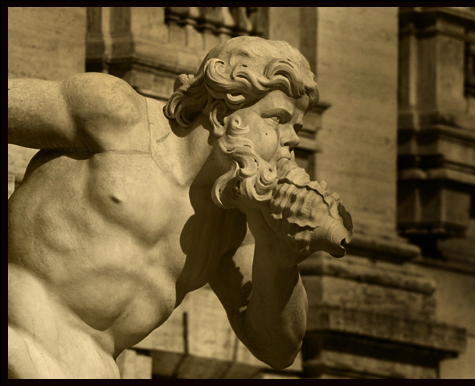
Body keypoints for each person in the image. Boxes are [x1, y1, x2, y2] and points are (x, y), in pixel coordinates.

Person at [8, 36, 344, 378]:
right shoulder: (117, 117)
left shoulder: (233, 227)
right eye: (278, 118)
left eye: (297, 127)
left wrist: (280, 254)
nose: (294, 139)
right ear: (221, 111)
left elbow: (279, 348)